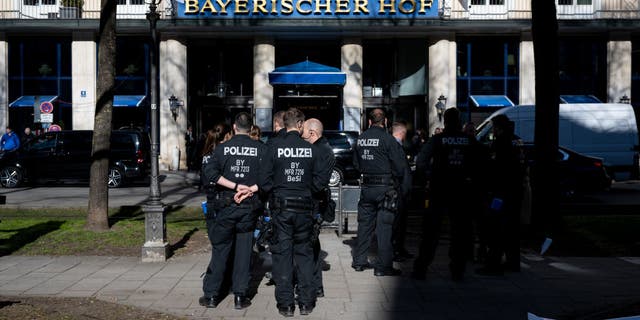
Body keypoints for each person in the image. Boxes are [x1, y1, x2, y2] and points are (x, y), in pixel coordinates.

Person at [199, 112, 267, 310]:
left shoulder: (222, 149)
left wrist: (235, 186)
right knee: (244, 252)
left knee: (221, 250)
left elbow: (210, 174)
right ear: (250, 128)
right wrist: (249, 189)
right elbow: (268, 178)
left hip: (227, 205)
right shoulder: (261, 149)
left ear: (235, 128)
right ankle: (240, 295)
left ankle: (211, 295)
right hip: (250, 206)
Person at [261, 108, 324, 317]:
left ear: (284, 124)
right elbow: (320, 181)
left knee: (282, 256)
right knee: (305, 256)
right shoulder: (311, 149)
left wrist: (276, 191)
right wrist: (308, 190)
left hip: (281, 209)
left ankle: (286, 304)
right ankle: (306, 302)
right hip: (305, 209)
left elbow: (264, 181)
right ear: (299, 125)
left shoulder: (273, 147)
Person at [412, 107, 483, 281]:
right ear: (459, 121)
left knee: (431, 231)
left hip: (439, 188)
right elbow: (482, 164)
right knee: (460, 232)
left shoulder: (438, 139)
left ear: (445, 121)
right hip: (461, 191)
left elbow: (421, 162)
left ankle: (422, 267)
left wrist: (428, 178)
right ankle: (457, 270)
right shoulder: (470, 140)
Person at [351, 108, 408, 277]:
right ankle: (383, 266)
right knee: (384, 228)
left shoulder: (360, 140)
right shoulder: (388, 139)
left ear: (369, 122)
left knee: (364, 226)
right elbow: (400, 167)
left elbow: (356, 164)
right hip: (385, 189)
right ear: (385, 122)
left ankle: (359, 261)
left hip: (367, 188)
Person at [476, 114, 526, 276]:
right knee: (512, 229)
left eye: (494, 128)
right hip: (516, 191)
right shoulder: (517, 140)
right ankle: (513, 262)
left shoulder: (500, 142)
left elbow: (495, 168)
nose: (493, 131)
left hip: (501, 193)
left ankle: (493, 264)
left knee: (495, 227)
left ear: (499, 127)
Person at [300, 118, 335, 298]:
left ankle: (312, 286)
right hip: (315, 203)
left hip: (312, 204)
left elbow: (317, 183)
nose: (301, 135)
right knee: (312, 246)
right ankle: (316, 285)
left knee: (308, 247)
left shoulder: (318, 150)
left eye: (303, 132)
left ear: (312, 133)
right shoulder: (324, 149)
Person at [390, 121, 413, 262]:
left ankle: (399, 248)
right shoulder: (394, 146)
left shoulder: (394, 145)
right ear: (402, 133)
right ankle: (395, 250)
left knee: (401, 223)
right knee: (396, 223)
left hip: (400, 190)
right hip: (398, 191)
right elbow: (400, 170)